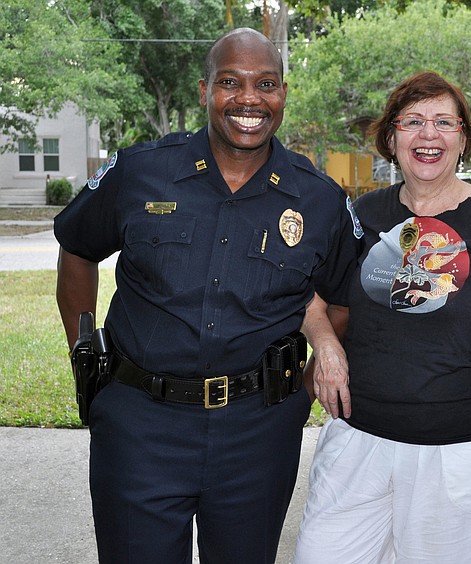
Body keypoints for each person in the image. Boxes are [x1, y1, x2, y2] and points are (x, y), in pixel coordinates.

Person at [54, 27, 359, 564]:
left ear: (283, 94)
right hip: (139, 423)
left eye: (265, 84)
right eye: (230, 82)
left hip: (258, 429)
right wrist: (85, 352)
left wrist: (303, 389)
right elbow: (78, 248)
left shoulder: (320, 199)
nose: (248, 99)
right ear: (204, 91)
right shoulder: (141, 172)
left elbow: (341, 298)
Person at [293, 71, 471, 564]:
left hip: (463, 448)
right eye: (413, 122)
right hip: (358, 437)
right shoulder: (360, 216)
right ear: (392, 137)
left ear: (463, 138)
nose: (429, 135)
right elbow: (312, 297)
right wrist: (326, 345)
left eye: (444, 122)